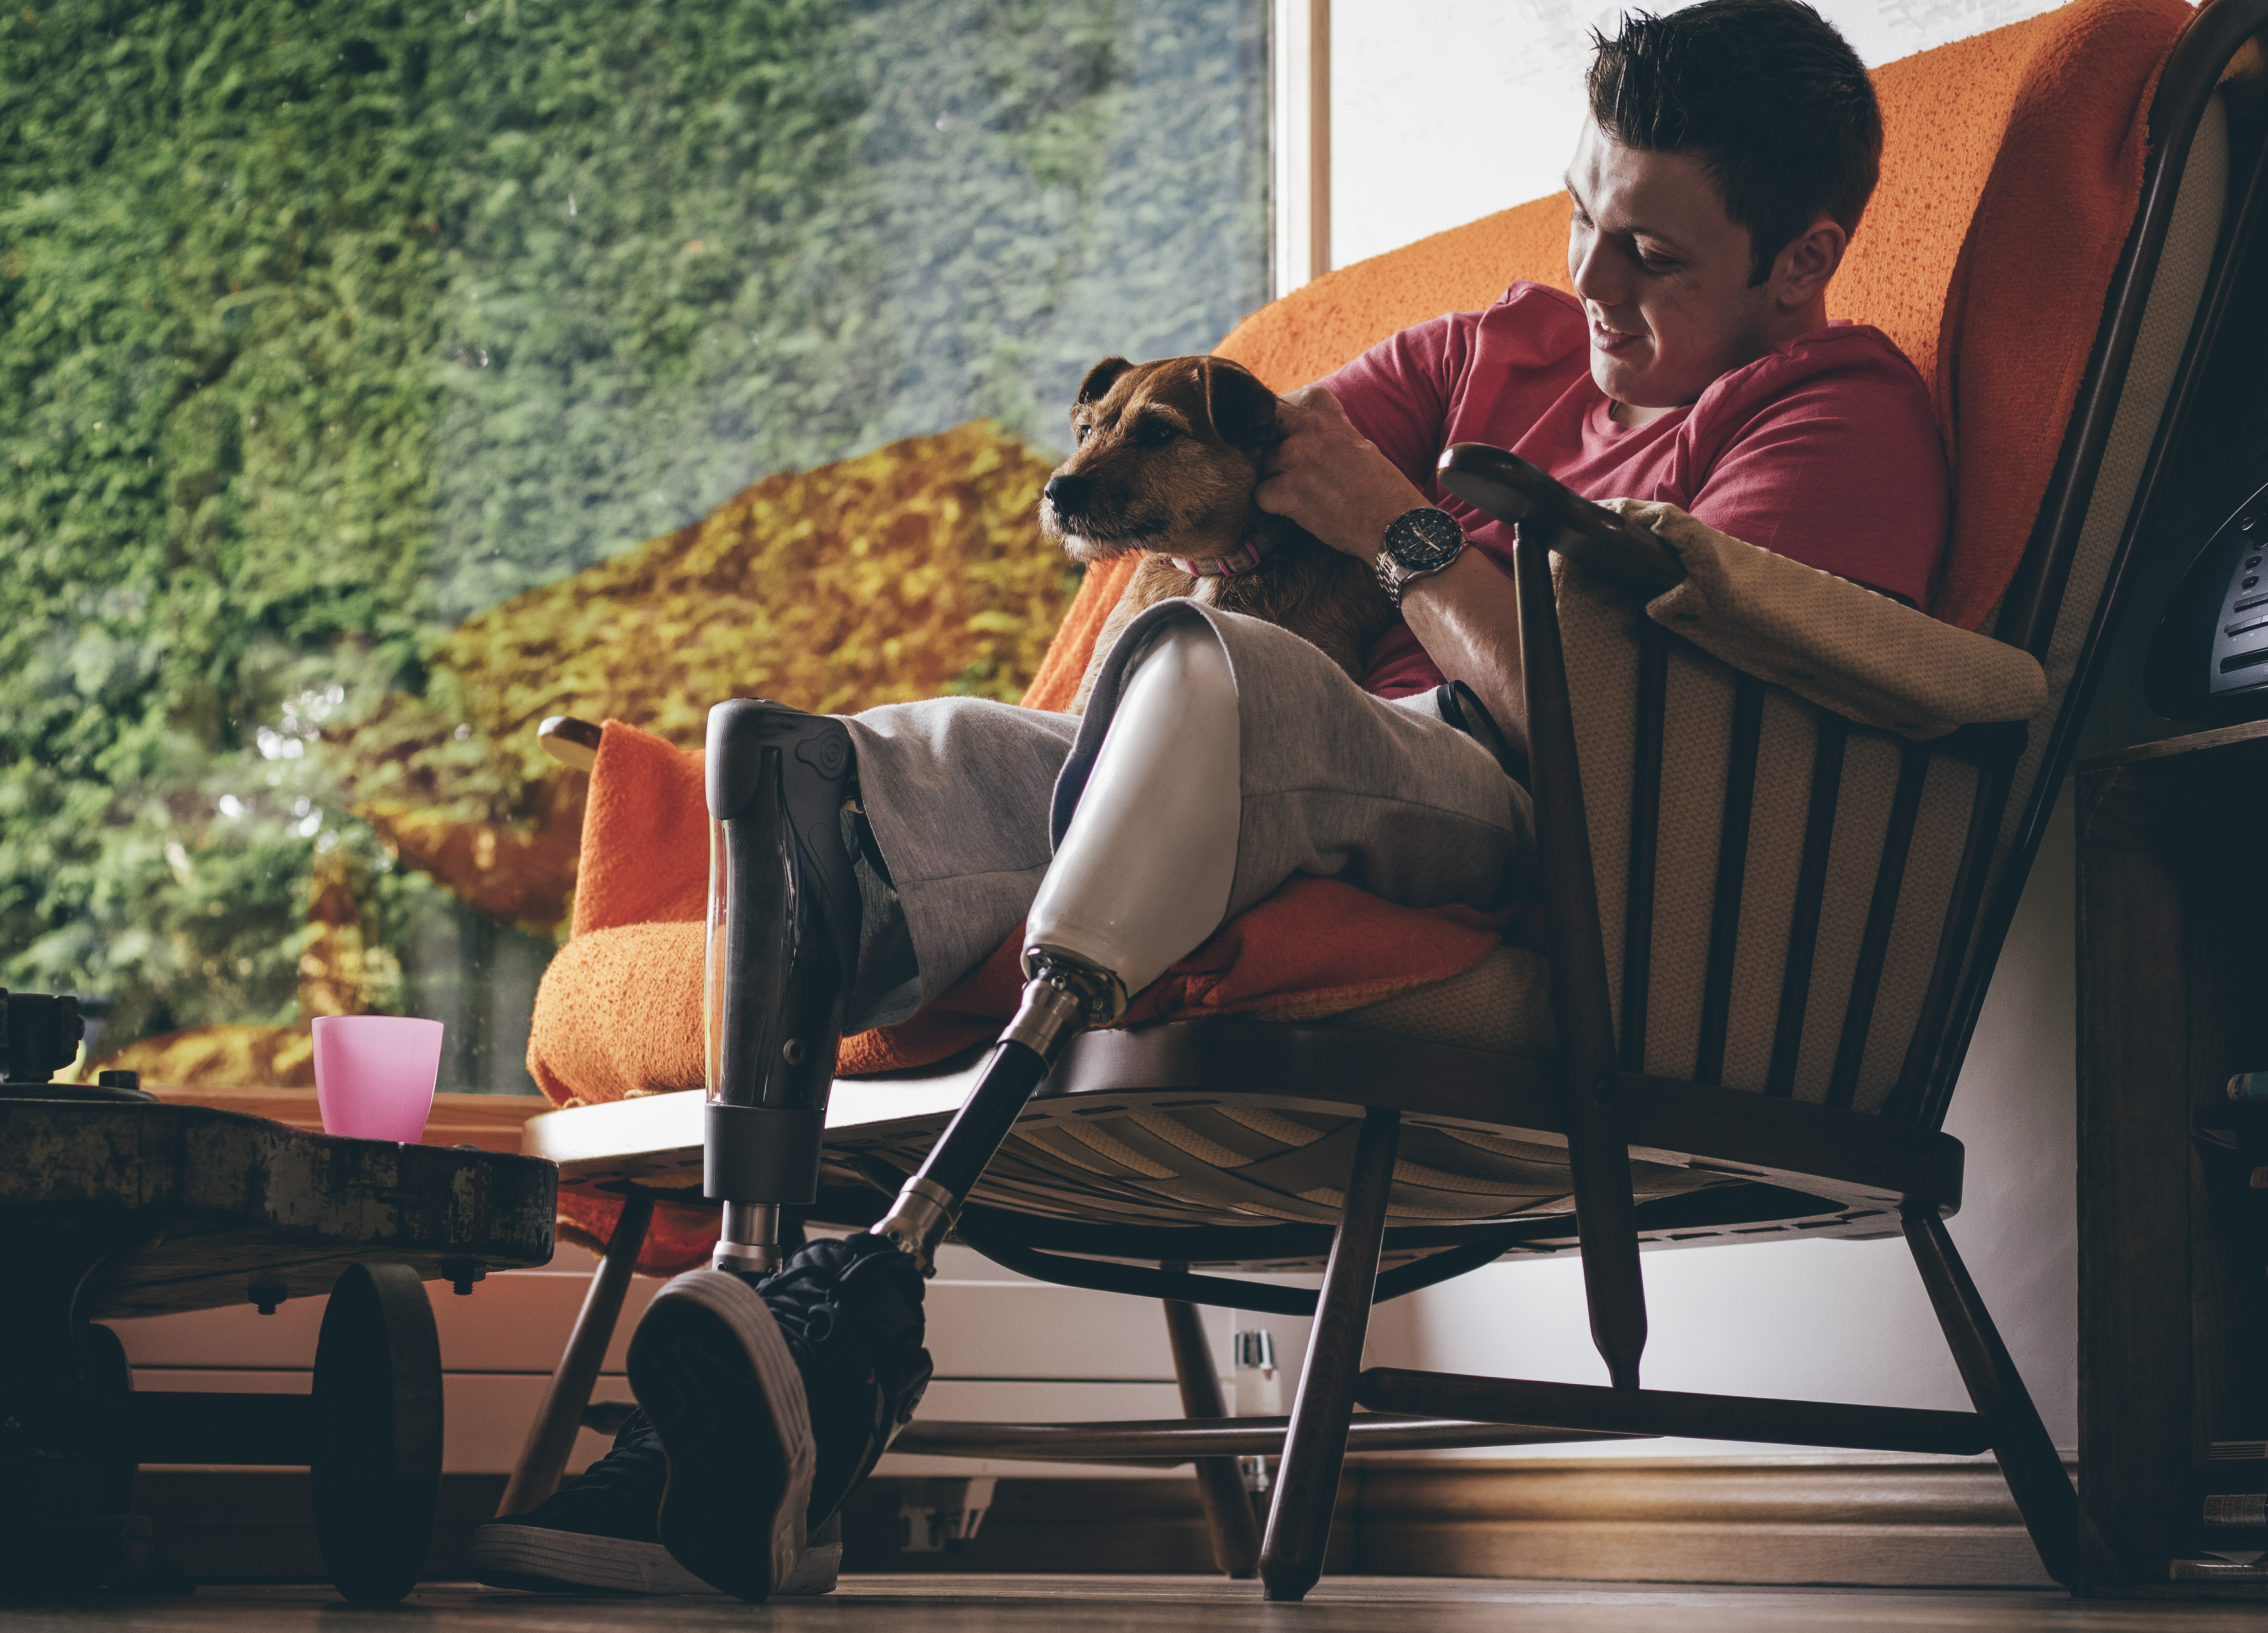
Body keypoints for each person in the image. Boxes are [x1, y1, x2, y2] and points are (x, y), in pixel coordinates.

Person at [470, 0, 1947, 1601]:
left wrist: (1404, 534)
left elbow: (1654, 758)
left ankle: (856, 1320)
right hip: (1261, 766)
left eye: (1652, 257)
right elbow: (1223, 478)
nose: (1589, 285)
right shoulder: (1488, 352)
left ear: (1799, 260)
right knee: (878, 757)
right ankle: (756, 1383)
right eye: (1586, 217)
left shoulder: (1834, 420)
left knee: (1225, 677)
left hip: (1530, 826)